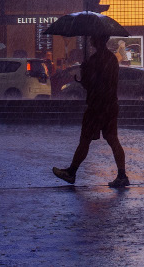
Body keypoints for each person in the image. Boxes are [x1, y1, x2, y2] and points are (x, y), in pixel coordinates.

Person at [53, 34, 129, 188]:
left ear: (96, 40)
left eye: (92, 38)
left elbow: (90, 84)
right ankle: (122, 175)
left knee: (85, 140)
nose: (90, 40)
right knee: (113, 140)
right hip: (110, 105)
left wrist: (84, 72)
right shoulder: (112, 59)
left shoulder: (95, 60)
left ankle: (71, 172)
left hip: (96, 106)